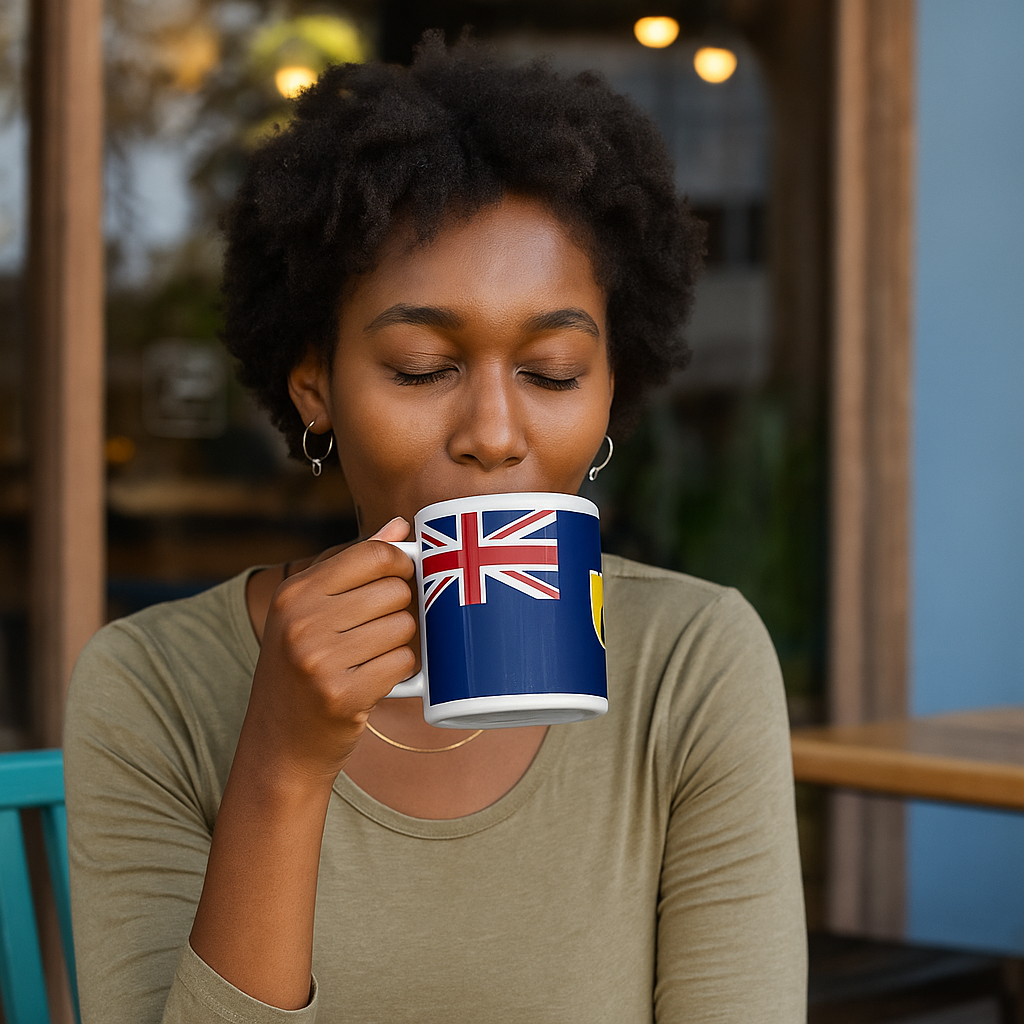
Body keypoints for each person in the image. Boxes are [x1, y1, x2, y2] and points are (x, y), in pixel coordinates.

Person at [64, 34, 806, 1024]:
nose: (494, 435)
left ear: (610, 391)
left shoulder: (695, 663)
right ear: (315, 388)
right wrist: (282, 763)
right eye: (422, 367)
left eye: (551, 374)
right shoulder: (151, 685)